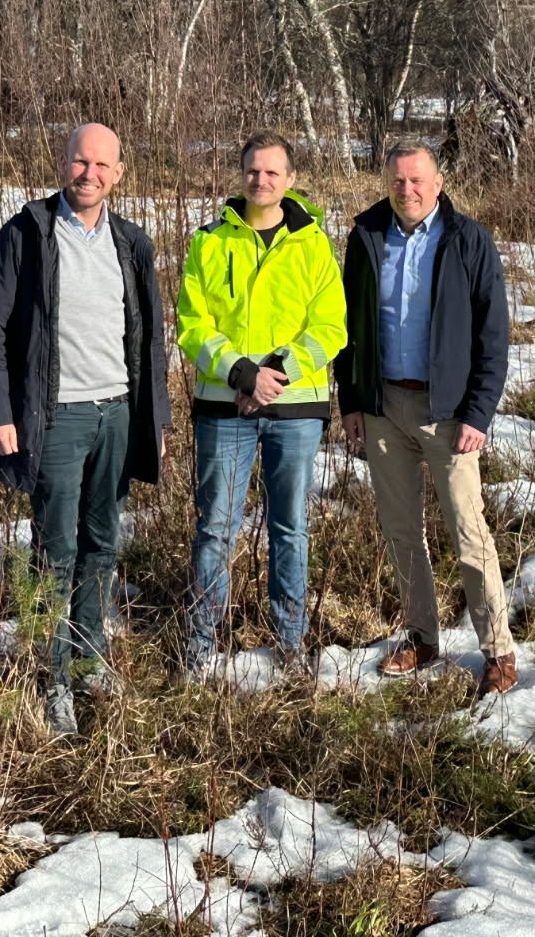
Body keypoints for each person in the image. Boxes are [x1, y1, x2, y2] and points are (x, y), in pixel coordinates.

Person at [0, 123, 171, 736]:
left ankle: (87, 655)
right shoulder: (26, 234)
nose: (89, 174)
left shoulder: (132, 243)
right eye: (81, 162)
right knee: (55, 548)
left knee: (102, 539)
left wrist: (154, 418)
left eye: (102, 165)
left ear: (119, 173)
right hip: (54, 418)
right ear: (64, 162)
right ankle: (51, 675)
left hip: (117, 413)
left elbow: (151, 340)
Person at [336, 139, 517, 697]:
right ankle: (422, 635)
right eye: (397, 181)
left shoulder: (467, 240)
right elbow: (349, 328)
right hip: (385, 407)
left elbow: (494, 335)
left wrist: (479, 412)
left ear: (438, 183)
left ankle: (498, 650)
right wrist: (353, 402)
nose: (407, 190)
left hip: (449, 413)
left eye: (417, 180)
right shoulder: (366, 236)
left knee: (468, 530)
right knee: (400, 529)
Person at [176, 132, 346, 675]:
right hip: (224, 410)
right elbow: (191, 325)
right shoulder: (209, 241)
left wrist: (276, 374)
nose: (262, 180)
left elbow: (330, 327)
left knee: (290, 526)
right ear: (241, 174)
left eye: (273, 173)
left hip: (294, 412)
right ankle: (202, 645)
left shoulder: (314, 244)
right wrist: (242, 374)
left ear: (290, 179)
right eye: (253, 171)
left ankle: (290, 644)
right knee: (216, 528)